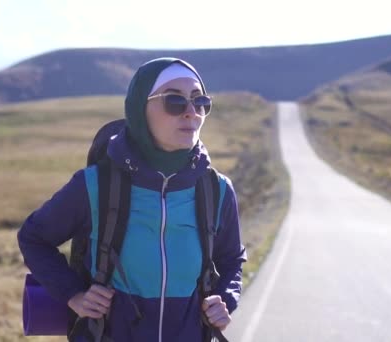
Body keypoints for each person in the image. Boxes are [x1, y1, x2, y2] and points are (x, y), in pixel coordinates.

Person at [17, 57, 247, 341]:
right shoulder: (95, 184)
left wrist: (225, 299)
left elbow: (232, 260)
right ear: (141, 108)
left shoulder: (217, 190)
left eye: (200, 101)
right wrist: (73, 294)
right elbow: (34, 237)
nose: (191, 112)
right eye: (174, 101)